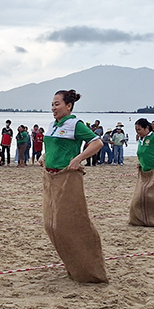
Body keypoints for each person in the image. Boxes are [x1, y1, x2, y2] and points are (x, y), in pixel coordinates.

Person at [40, 89, 107, 284]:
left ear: (68, 106)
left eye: (57, 104)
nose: (53, 107)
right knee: (51, 224)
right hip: (50, 178)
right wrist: (44, 156)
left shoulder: (74, 124)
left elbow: (97, 143)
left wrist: (79, 158)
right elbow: (52, 146)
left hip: (67, 178)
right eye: (52, 104)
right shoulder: (53, 125)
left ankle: (90, 268)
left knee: (69, 223)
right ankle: (73, 265)